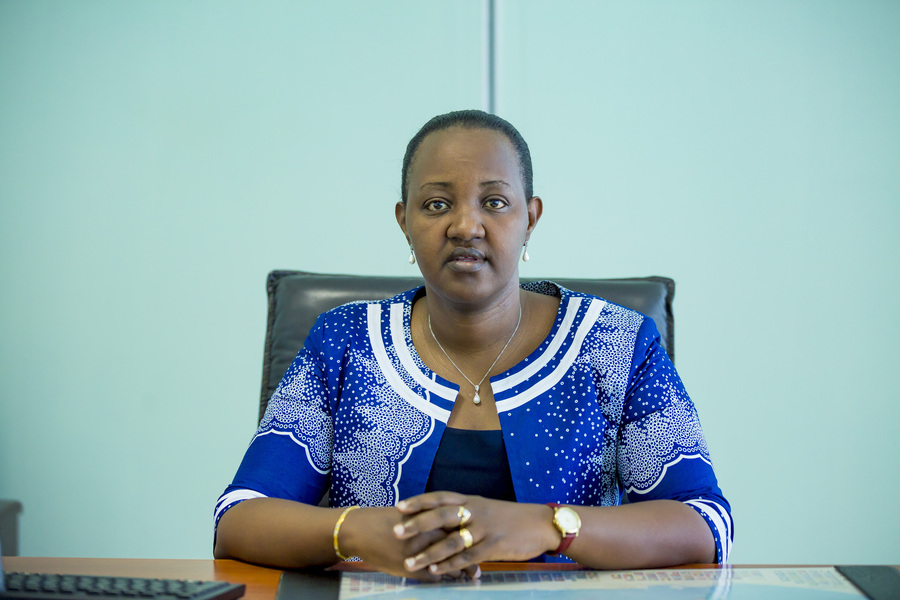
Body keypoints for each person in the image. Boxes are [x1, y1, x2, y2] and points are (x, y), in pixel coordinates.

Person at [213, 110, 732, 581]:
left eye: (495, 202)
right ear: (404, 221)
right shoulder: (344, 341)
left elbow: (705, 523)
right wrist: (356, 531)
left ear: (530, 218)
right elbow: (239, 517)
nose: (465, 226)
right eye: (437, 204)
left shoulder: (617, 343)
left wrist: (549, 527)